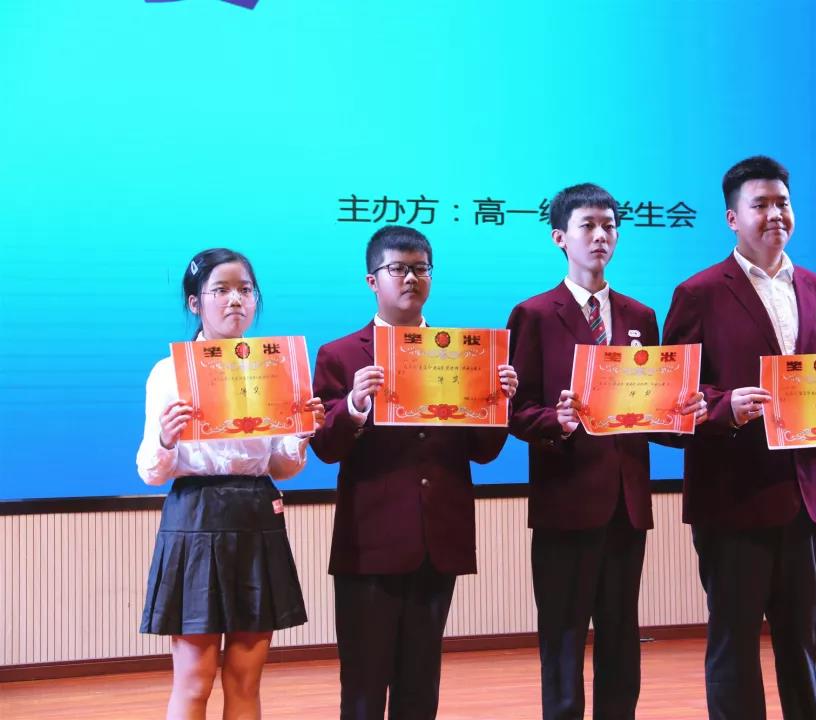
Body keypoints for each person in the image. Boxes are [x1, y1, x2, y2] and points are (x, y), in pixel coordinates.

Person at [662, 156, 816, 720]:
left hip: (810, 500)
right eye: (761, 205)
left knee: (806, 645)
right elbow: (673, 399)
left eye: (782, 203)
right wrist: (727, 408)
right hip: (734, 500)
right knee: (734, 647)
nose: (775, 214)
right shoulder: (698, 293)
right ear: (732, 218)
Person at [506, 183, 705, 720]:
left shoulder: (641, 315)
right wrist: (555, 421)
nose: (601, 236)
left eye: (609, 226)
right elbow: (515, 409)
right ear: (560, 237)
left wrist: (685, 413)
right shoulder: (534, 314)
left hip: (626, 504)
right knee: (563, 637)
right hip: (565, 502)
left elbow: (654, 411)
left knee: (620, 635)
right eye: (588, 226)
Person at [310, 225, 519, 720]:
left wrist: (499, 403)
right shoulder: (341, 355)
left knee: (421, 684)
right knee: (363, 686)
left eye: (421, 269)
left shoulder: (465, 354)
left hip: (437, 539)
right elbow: (325, 448)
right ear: (372, 280)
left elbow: (484, 453)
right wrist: (355, 405)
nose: (411, 278)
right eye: (398, 269)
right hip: (370, 544)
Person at [137, 247, 325, 720]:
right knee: (194, 681)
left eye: (245, 290)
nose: (235, 300)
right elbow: (150, 471)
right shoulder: (169, 372)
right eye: (220, 290)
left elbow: (281, 468)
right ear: (195, 302)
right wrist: (165, 438)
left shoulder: (276, 368)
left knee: (245, 680)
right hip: (195, 519)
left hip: (257, 514)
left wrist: (301, 434)